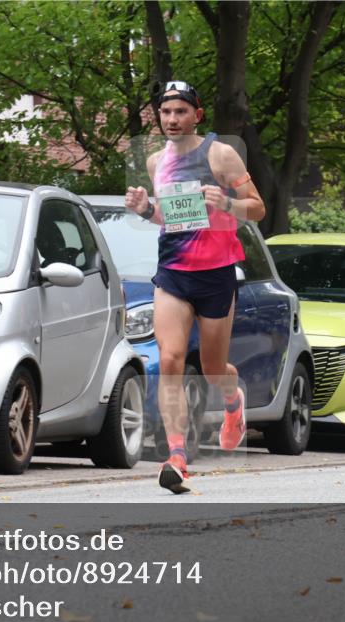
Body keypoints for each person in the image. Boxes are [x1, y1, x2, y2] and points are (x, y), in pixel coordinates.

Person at [124, 81, 265, 494]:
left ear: (196, 115)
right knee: (169, 359)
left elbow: (257, 207)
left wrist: (226, 204)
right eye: (166, 113)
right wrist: (145, 208)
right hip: (173, 272)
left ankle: (233, 404)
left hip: (217, 272)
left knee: (211, 369)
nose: (172, 120)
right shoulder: (155, 162)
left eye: (180, 112)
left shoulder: (220, 154)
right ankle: (177, 458)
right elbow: (169, 217)